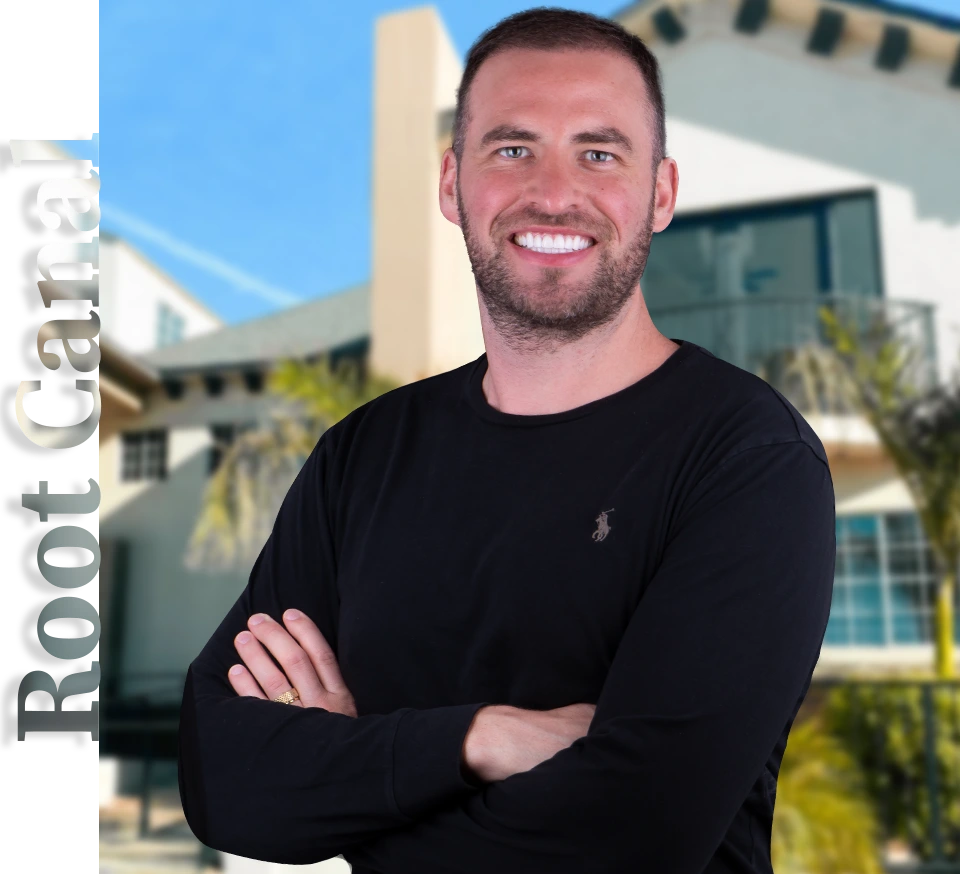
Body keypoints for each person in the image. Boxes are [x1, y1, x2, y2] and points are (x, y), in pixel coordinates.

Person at [177, 8, 836, 874]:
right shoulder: (363, 457)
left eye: (599, 153)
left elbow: (633, 837)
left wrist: (353, 781)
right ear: (452, 185)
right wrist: (478, 742)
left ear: (661, 193)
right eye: (513, 148)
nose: (555, 193)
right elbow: (223, 780)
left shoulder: (746, 459)